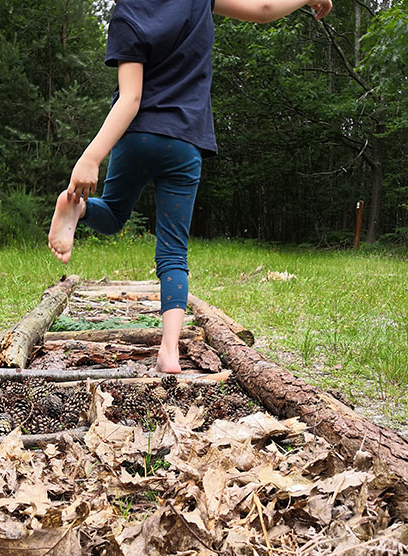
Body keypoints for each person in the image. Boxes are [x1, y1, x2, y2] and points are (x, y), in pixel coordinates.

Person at [48, 0, 332, 373]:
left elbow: (131, 99)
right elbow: (264, 8)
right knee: (173, 253)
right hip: (183, 143)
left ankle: (79, 208)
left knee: (115, 215)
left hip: (137, 138)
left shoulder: (127, 13)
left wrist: (91, 158)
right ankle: (169, 350)